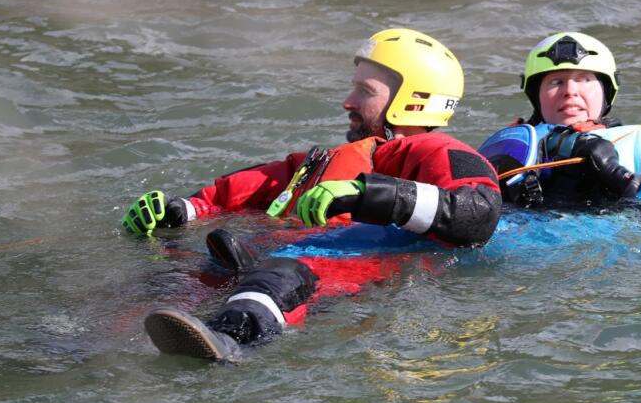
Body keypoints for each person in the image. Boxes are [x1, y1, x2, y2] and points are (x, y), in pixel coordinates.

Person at [122, 28, 502, 361]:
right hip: (268, 255)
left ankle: (229, 341)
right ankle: (84, 344)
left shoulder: (436, 151)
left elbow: (480, 213)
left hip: (339, 268)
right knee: (168, 281)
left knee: (278, 276)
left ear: (413, 103)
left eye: (364, 91)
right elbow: (241, 188)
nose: (347, 101)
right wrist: (181, 210)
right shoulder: (321, 161)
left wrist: (366, 194)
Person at [478, 31, 641, 216]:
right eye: (555, 82)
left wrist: (626, 181)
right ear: (536, 95)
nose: (570, 91)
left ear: (606, 91)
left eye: (585, 79)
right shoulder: (507, 150)